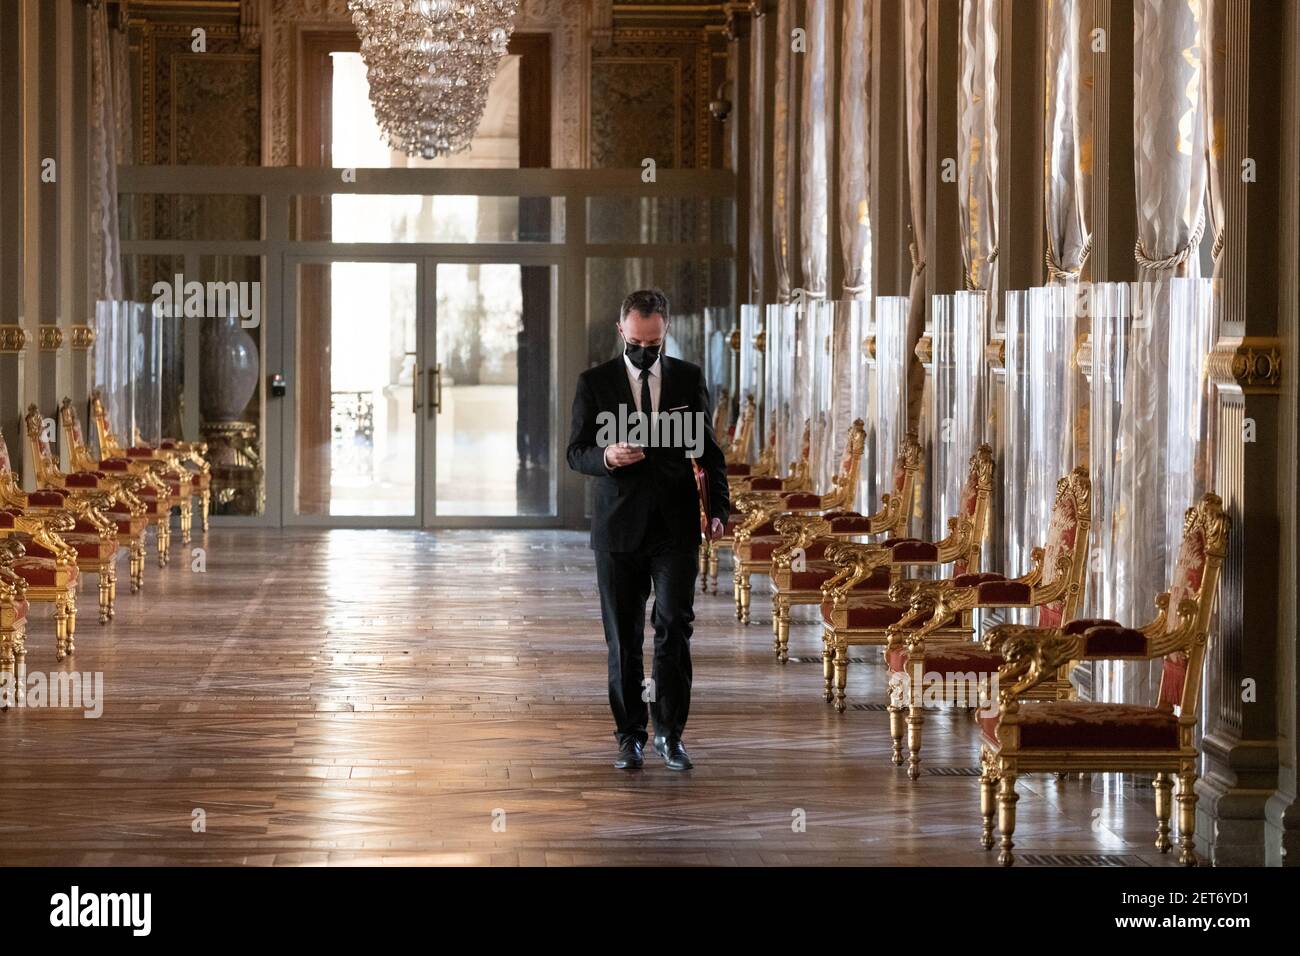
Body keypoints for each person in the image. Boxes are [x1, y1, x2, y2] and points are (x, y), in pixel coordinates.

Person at [565, 289, 729, 770]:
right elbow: (575, 452)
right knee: (623, 635)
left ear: (665, 333)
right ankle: (630, 734)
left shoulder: (688, 378)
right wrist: (607, 457)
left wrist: (718, 509)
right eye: (636, 342)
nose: (644, 352)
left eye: (653, 344)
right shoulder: (594, 383)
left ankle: (671, 735)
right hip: (617, 530)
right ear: (622, 333)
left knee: (675, 626)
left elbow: (710, 453)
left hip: (675, 528)